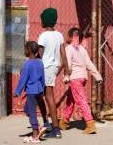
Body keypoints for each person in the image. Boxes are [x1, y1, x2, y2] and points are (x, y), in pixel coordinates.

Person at [60, 27, 103, 134]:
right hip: (83, 77)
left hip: (74, 78)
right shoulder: (82, 49)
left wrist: (66, 76)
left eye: (67, 35)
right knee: (70, 99)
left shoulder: (68, 49)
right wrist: (97, 76)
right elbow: (89, 64)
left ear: (71, 37)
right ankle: (64, 122)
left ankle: (90, 124)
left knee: (81, 100)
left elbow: (68, 64)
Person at [37, 7, 68, 138]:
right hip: (53, 68)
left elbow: (39, 55)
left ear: (45, 21)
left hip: (45, 68)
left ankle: (56, 129)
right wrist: (65, 68)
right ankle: (46, 122)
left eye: (42, 19)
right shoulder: (59, 35)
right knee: (40, 95)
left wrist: (31, 68)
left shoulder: (43, 36)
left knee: (49, 97)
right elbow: (63, 55)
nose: (40, 22)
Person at [14, 41, 47, 143]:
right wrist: (42, 90)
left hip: (32, 92)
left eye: (25, 49)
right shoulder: (40, 62)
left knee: (31, 112)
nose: (24, 51)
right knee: (27, 109)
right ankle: (37, 128)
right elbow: (42, 78)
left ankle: (35, 135)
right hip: (39, 91)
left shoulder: (27, 64)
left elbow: (23, 79)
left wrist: (17, 91)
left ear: (28, 51)